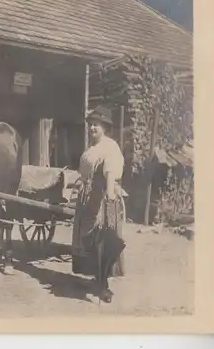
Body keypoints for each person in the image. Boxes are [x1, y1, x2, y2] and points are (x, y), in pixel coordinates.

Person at [71, 105, 126, 304]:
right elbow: (84, 173)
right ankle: (96, 278)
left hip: (103, 197)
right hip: (88, 196)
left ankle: (104, 287)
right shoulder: (91, 148)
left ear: (105, 127)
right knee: (89, 241)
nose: (92, 128)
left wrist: (110, 198)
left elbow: (110, 172)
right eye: (91, 124)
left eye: (96, 125)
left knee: (102, 240)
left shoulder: (109, 147)